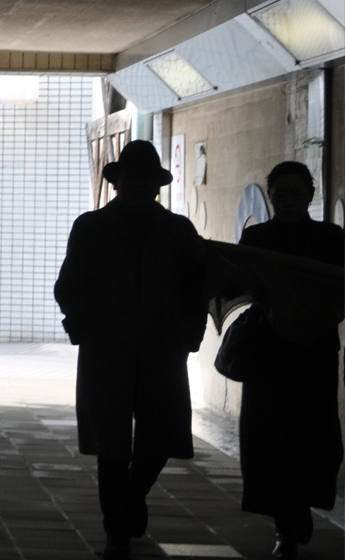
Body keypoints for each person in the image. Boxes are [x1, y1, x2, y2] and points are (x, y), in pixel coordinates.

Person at [54, 140, 207, 560]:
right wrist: (84, 328)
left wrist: (188, 337)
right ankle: (116, 534)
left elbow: (197, 289)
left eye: (145, 179)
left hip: (163, 351)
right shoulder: (90, 226)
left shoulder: (179, 230)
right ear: (117, 182)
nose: (137, 185)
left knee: (159, 439)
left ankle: (130, 497)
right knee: (112, 448)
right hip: (107, 352)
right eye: (129, 178)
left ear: (157, 186)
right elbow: (69, 286)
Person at [235, 161, 343, 559]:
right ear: (273, 196)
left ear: (311, 195)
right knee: (270, 440)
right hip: (269, 353)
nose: (289, 201)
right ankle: (287, 524)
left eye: (296, 194)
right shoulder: (257, 237)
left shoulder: (332, 239)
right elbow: (239, 284)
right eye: (281, 195)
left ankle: (297, 510)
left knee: (314, 437)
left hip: (314, 353)